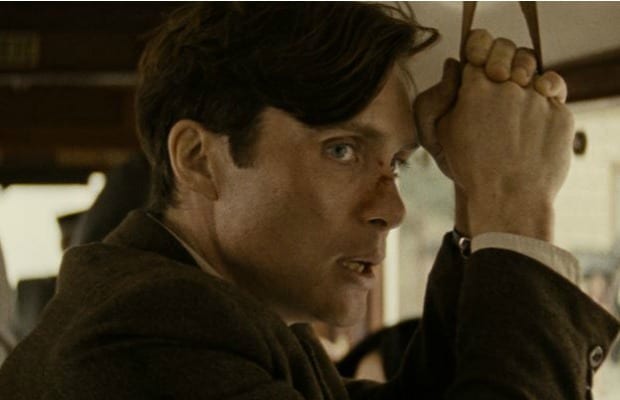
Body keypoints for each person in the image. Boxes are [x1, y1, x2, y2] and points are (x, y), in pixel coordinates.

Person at [0, 3, 618, 399]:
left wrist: (480, 197)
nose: (393, 210)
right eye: (342, 150)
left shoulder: (224, 319)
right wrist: (515, 204)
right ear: (197, 159)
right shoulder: (145, 338)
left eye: (398, 163)